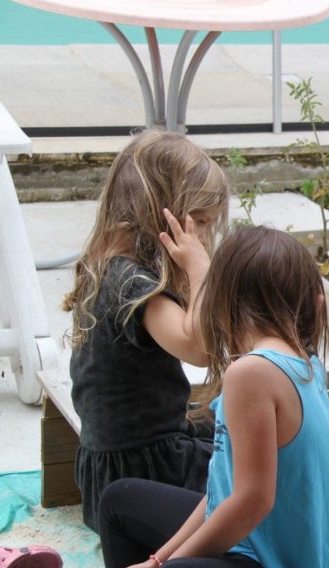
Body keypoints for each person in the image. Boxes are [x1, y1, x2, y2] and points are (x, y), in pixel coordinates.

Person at [75, 227, 329, 568]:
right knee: (120, 499)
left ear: (223, 301)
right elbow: (223, 489)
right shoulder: (302, 363)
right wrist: (158, 558)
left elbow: (251, 501)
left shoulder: (252, 373)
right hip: (261, 552)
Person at [63, 130, 228, 531]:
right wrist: (200, 269)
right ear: (162, 214)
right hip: (147, 472)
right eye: (200, 223)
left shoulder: (104, 265)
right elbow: (200, 348)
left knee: (225, 429)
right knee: (255, 474)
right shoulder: (133, 285)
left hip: (110, 468)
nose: (204, 238)